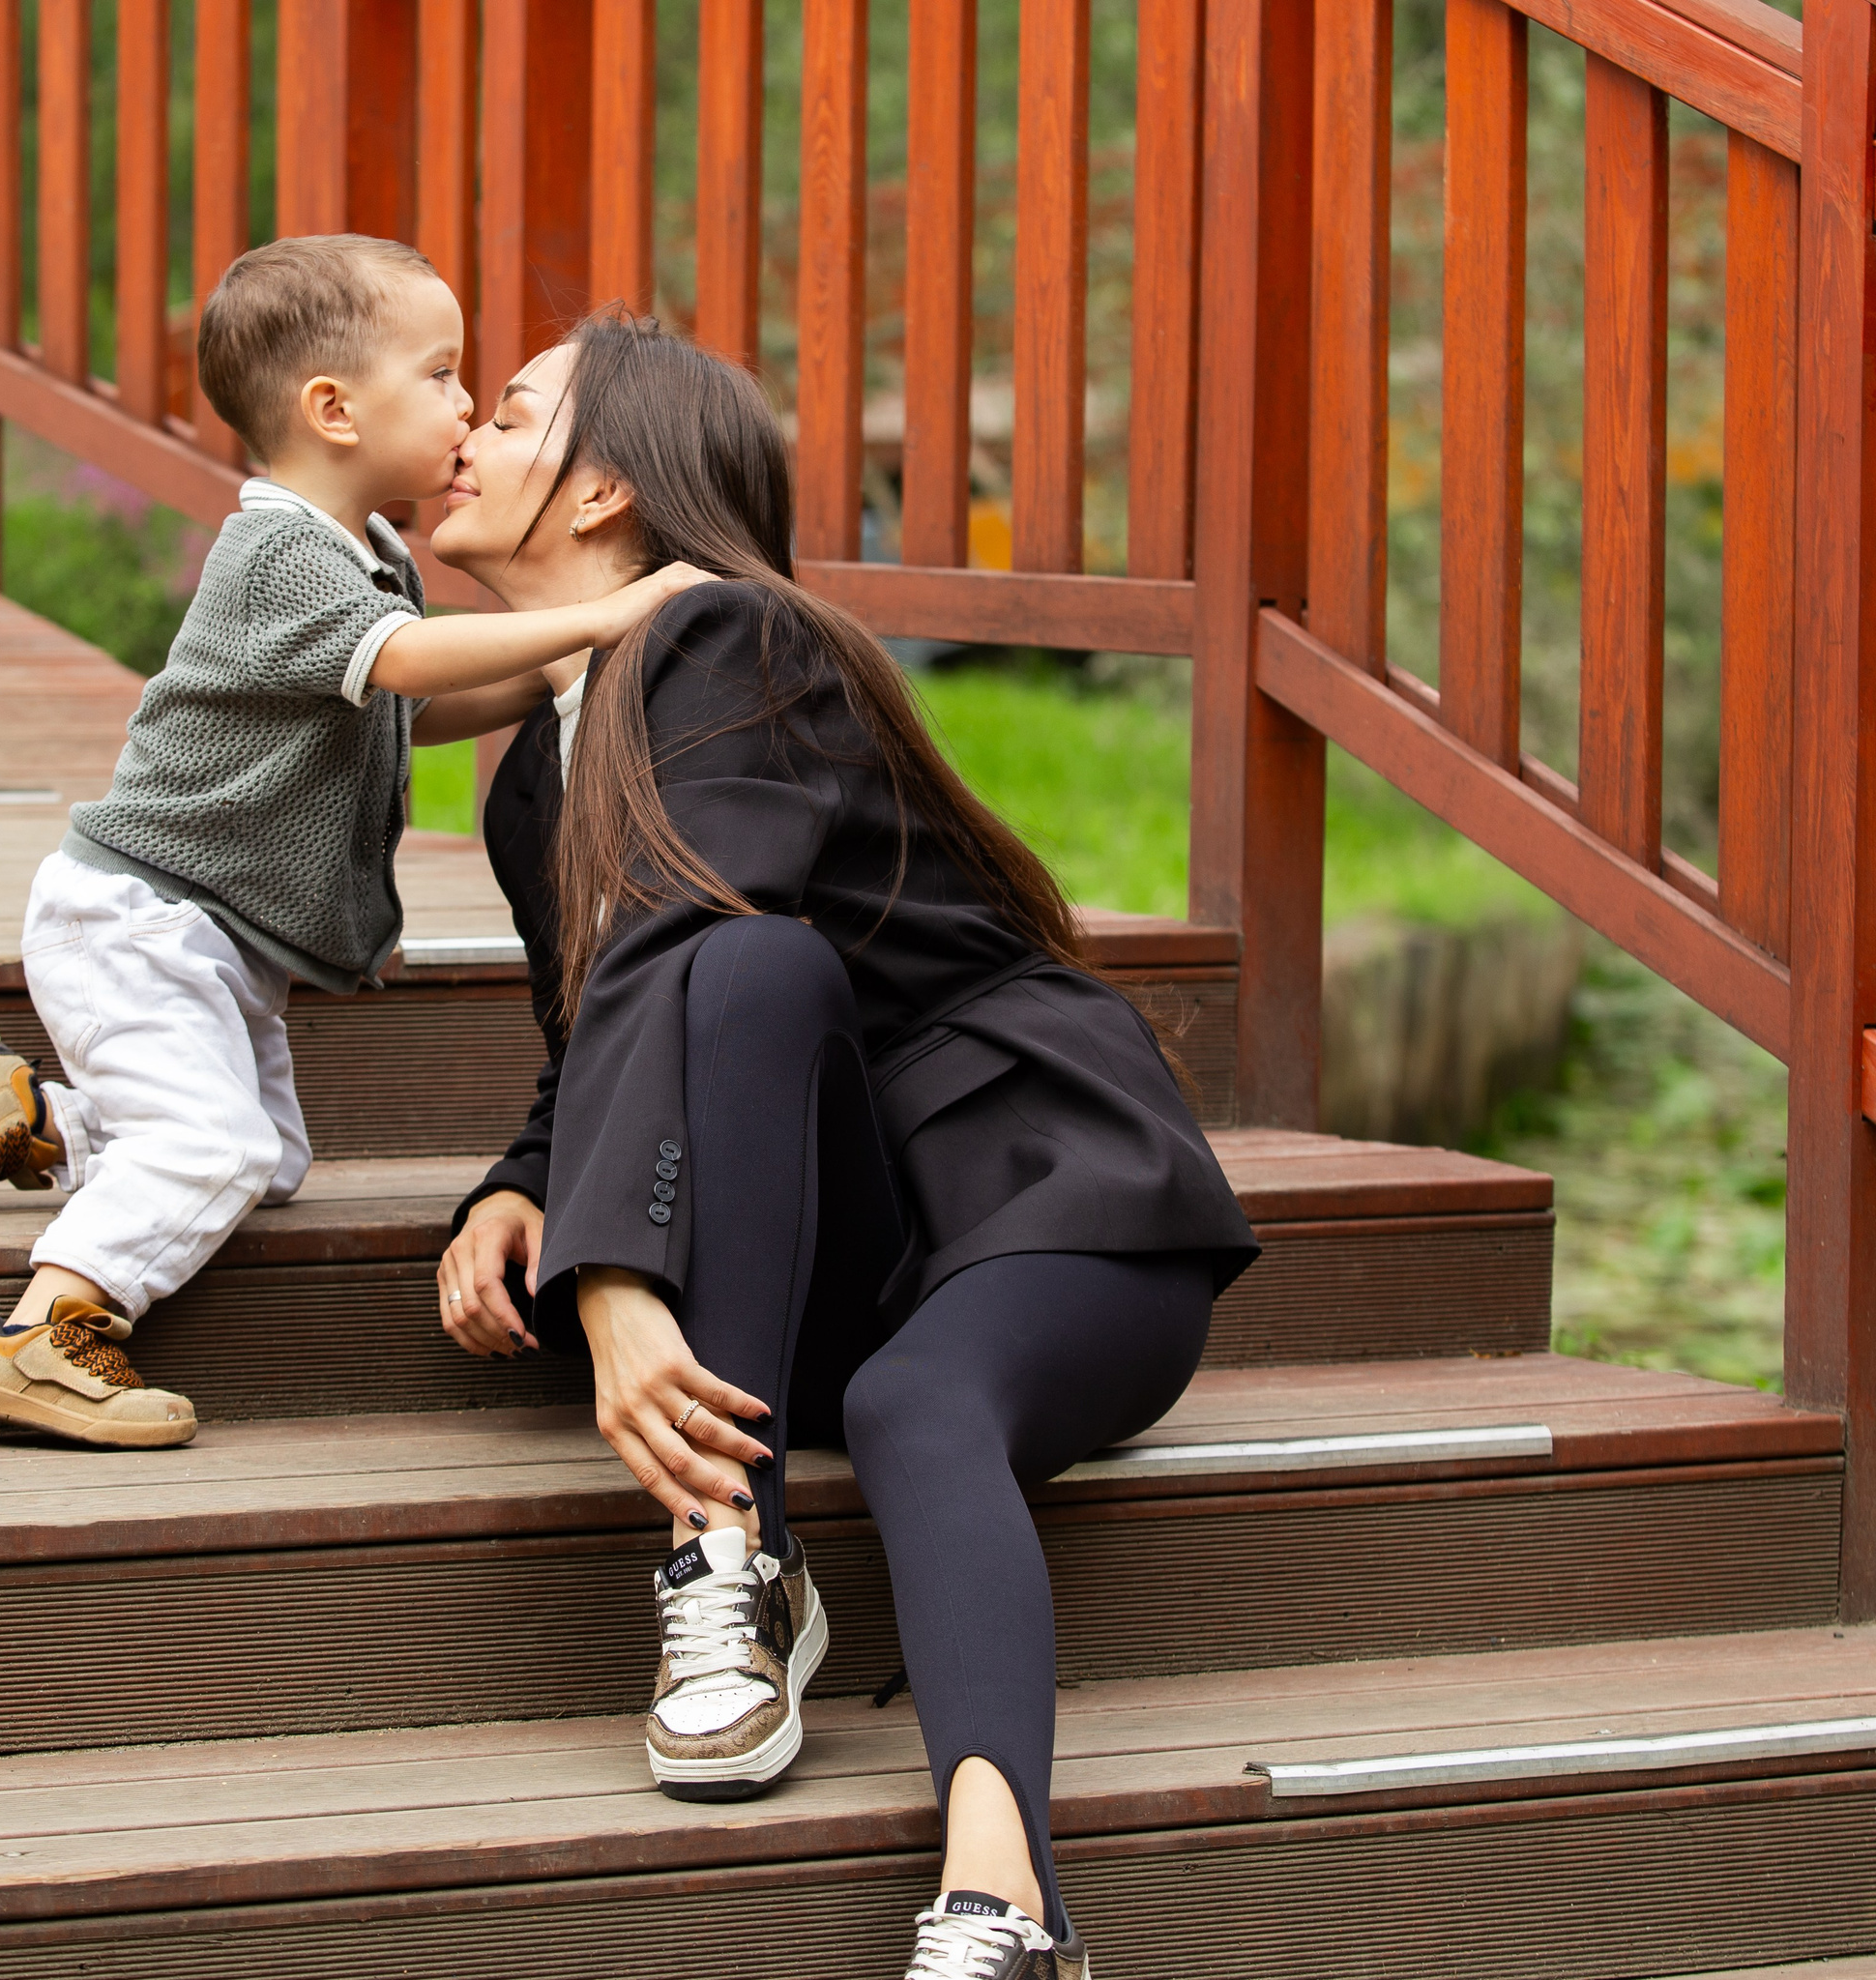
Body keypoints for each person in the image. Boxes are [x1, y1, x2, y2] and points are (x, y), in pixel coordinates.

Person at [430, 312, 1257, 1980]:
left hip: (1047, 1189)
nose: (463, 431)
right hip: (858, 1221)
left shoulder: (736, 637)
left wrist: (613, 1276)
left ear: (602, 487)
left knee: (907, 1391)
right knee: (748, 968)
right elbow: (613, 1019)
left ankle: (1002, 1902)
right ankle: (739, 1560)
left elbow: (679, 953)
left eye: (508, 410)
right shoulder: (539, 770)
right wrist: (527, 1180)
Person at [0, 237, 700, 1450]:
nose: (465, 410)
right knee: (209, 1143)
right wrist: (610, 610)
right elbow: (407, 663)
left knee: (269, 1160)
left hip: (207, 935)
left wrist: (554, 673)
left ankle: (33, 1118)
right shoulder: (278, 552)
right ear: (333, 409)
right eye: (442, 377)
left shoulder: (370, 554)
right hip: (142, 918)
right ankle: (43, 1331)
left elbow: (404, 711)